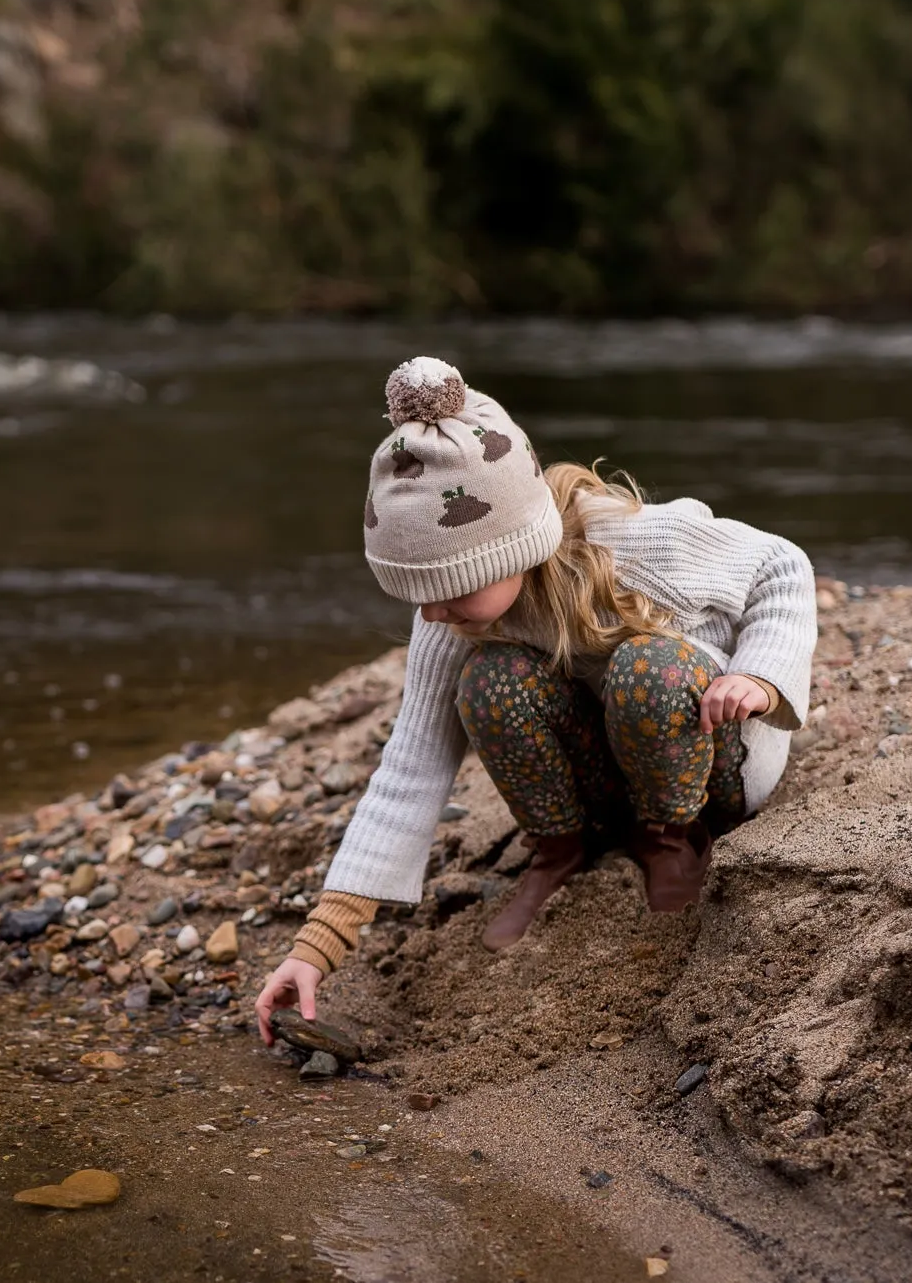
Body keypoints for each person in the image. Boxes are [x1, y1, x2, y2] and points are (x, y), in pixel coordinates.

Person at [255, 357, 817, 1043]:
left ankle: (672, 838)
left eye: (449, 586)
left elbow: (782, 563)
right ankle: (560, 847)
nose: (431, 613)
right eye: (417, 595)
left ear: (507, 547)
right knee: (488, 682)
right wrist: (316, 946)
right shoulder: (455, 617)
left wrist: (759, 677)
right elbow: (411, 764)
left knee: (650, 667)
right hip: (611, 768)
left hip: (713, 761)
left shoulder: (632, 544)